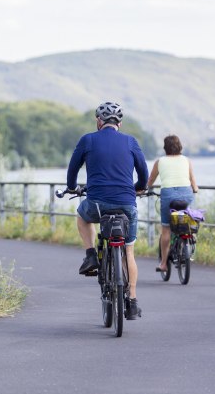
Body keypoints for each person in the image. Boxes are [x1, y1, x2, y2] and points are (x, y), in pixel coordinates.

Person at [66, 101, 149, 320]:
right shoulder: (131, 141)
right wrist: (139, 188)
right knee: (128, 253)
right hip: (126, 204)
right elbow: (143, 175)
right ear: (119, 123)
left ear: (98, 121)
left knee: (83, 217)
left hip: (96, 205)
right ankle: (131, 301)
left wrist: (72, 187)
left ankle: (91, 254)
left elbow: (72, 169)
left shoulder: (88, 140)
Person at [146, 135, 199, 272]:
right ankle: (190, 245)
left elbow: (150, 180)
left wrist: (147, 189)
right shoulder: (186, 160)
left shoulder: (160, 161)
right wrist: (195, 189)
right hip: (186, 193)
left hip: (168, 194)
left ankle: (163, 263)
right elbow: (193, 180)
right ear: (180, 146)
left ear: (165, 148)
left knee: (166, 229)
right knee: (189, 221)